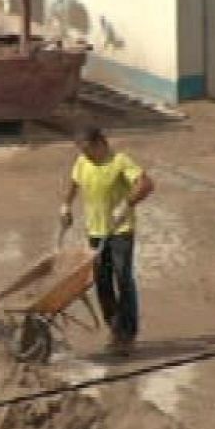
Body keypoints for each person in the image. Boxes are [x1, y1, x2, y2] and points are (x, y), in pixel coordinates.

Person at [61, 126, 154, 356]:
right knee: (101, 280)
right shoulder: (83, 162)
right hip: (95, 230)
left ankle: (128, 332)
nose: (86, 155)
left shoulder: (120, 161)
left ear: (101, 143)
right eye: (82, 151)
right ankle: (114, 327)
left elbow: (146, 184)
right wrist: (66, 205)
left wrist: (127, 203)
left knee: (123, 278)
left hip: (120, 230)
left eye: (89, 150)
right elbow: (74, 182)